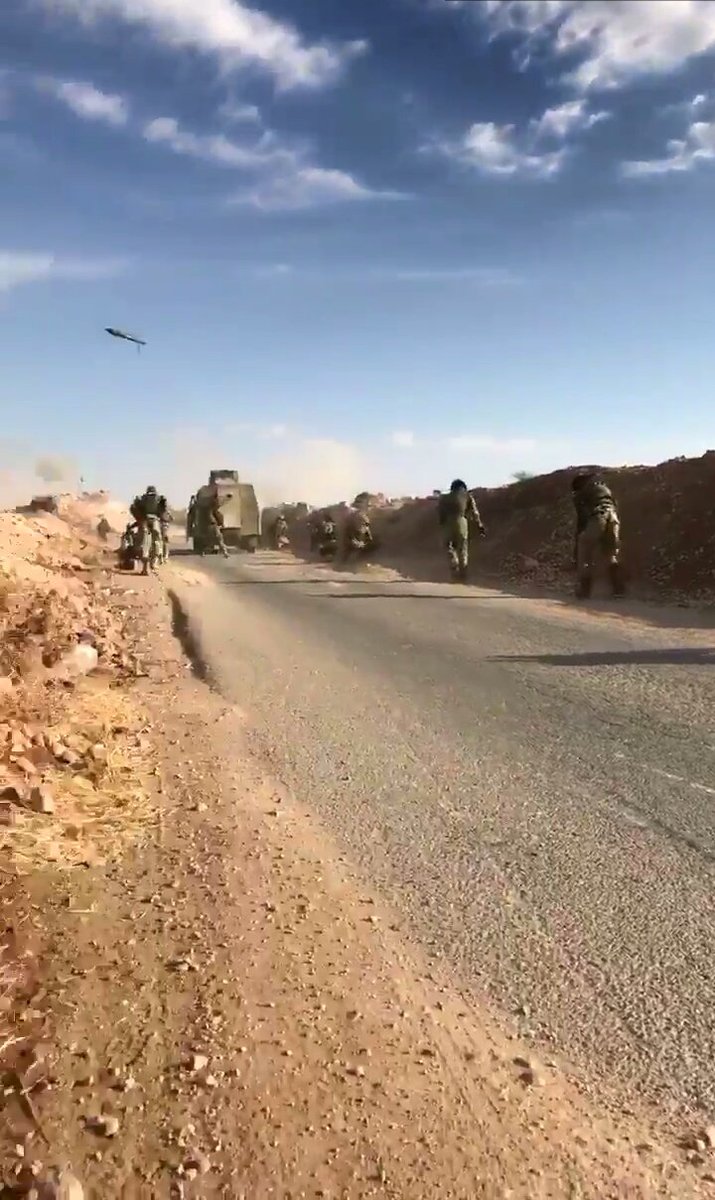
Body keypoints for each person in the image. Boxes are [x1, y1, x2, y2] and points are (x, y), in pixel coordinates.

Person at [571, 471, 625, 599]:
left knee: (585, 553)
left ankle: (584, 591)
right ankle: (618, 589)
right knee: (610, 553)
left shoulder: (580, 494)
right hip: (613, 518)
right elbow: (615, 505)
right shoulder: (604, 488)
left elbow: (582, 518)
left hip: (598, 517)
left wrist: (579, 538)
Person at [438, 479, 486, 582]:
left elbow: (441, 514)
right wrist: (480, 527)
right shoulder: (468, 497)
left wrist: (442, 524)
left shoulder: (444, 498)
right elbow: (475, 514)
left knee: (449, 546)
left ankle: (453, 563)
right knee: (463, 549)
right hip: (462, 523)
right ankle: (463, 574)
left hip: (448, 524)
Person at [130, 485, 166, 575]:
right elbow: (163, 512)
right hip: (155, 522)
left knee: (144, 544)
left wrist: (139, 519)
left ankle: (145, 568)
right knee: (157, 543)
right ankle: (154, 564)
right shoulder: (159, 499)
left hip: (144, 521)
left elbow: (134, 509)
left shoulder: (142, 499)